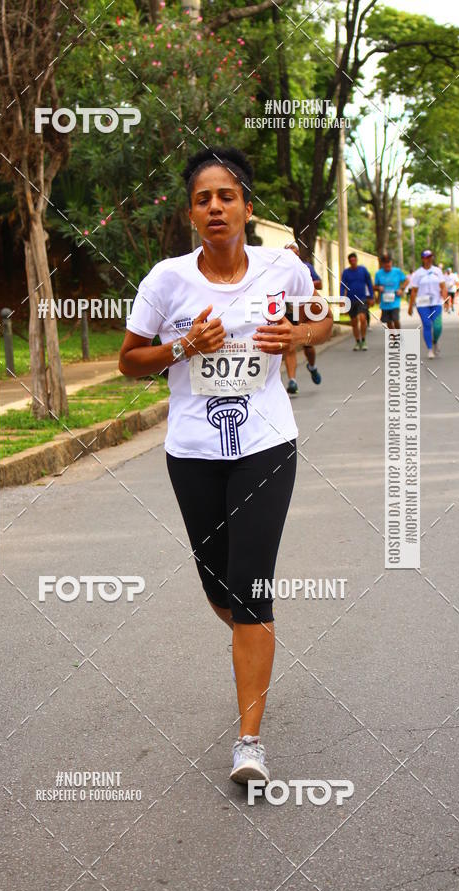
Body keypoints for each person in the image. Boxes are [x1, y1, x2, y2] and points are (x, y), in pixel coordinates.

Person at [119, 146, 333, 785]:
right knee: (222, 590)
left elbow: (323, 322)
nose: (216, 207)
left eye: (228, 196)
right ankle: (250, 630)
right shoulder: (166, 280)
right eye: (203, 199)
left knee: (251, 590)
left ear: (245, 206)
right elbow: (129, 361)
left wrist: (298, 336)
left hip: (267, 446)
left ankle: (249, 742)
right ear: (191, 214)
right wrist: (184, 345)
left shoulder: (283, 268)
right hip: (193, 454)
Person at [282, 241, 323, 394]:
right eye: (286, 252)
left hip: (304, 311)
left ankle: (312, 366)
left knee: (308, 347)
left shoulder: (306, 267)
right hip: (287, 311)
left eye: (292, 252)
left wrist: (306, 284)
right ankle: (292, 381)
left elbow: (320, 284)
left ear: (297, 254)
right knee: (289, 345)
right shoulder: (279, 270)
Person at [408, 250, 448, 358]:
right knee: (427, 324)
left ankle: (435, 340)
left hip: (436, 302)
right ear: (422, 259)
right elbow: (414, 291)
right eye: (426, 257)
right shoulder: (417, 274)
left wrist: (446, 301)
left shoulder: (437, 271)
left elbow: (443, 287)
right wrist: (410, 306)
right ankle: (430, 348)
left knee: (438, 326)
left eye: (430, 257)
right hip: (422, 304)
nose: (429, 259)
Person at [340, 252, 373, 350]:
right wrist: (342, 299)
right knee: (354, 322)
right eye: (351, 260)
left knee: (363, 318)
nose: (353, 262)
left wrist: (371, 297)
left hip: (362, 299)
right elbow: (342, 286)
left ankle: (363, 340)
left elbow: (369, 283)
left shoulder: (363, 270)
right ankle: (357, 342)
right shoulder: (346, 272)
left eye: (354, 260)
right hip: (350, 300)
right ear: (349, 261)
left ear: (356, 260)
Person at [373, 253, 408, 329]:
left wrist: (401, 289)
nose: (387, 264)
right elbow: (374, 286)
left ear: (391, 262)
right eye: (385, 263)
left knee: (396, 319)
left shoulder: (397, 271)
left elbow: (406, 280)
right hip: (385, 302)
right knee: (388, 321)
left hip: (395, 301)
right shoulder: (378, 273)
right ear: (382, 264)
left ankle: (398, 335)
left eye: (388, 262)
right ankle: (393, 337)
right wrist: (379, 288)